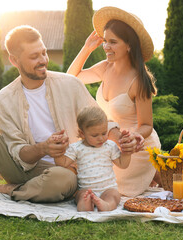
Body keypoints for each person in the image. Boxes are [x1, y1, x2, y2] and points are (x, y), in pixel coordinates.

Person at [0, 25, 135, 217]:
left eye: (44, 53)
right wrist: (44, 148)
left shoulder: (70, 84)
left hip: (64, 171)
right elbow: (18, 152)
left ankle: (6, 190)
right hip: (21, 166)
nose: (43, 60)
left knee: (64, 180)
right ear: (14, 60)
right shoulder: (4, 98)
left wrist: (122, 139)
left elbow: (101, 120)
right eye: (34, 56)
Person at [67, 6, 161, 197]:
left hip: (134, 148)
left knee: (106, 188)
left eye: (113, 42)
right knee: (90, 181)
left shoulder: (139, 80)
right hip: (107, 142)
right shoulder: (105, 68)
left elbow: (147, 125)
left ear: (129, 46)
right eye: (105, 41)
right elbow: (71, 78)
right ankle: (157, 178)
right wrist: (86, 48)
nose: (106, 47)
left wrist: (131, 138)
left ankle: (153, 174)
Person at [54, 106, 132, 212]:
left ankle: (107, 205)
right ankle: (85, 205)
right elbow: (63, 163)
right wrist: (57, 154)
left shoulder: (110, 146)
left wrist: (126, 153)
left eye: (104, 133)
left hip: (107, 188)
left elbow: (123, 164)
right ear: (82, 133)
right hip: (86, 189)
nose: (101, 138)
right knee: (80, 195)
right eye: (95, 135)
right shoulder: (76, 148)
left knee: (114, 195)